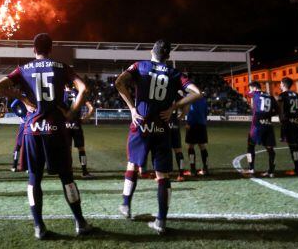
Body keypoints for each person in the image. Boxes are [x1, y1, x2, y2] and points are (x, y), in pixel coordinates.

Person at [0, 33, 93, 239]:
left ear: (33, 49)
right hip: (56, 128)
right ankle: (80, 223)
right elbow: (83, 89)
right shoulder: (61, 66)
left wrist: (23, 98)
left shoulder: (23, 69)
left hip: (32, 129)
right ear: (51, 49)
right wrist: (72, 112)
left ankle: (39, 227)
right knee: (67, 178)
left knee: (34, 179)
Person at [115, 39, 202, 234]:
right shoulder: (174, 73)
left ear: (151, 51)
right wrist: (174, 106)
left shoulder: (140, 66)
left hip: (141, 124)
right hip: (163, 127)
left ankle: (126, 206)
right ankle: (161, 221)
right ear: (168, 56)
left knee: (132, 164)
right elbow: (197, 93)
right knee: (162, 175)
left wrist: (131, 108)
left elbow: (119, 82)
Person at [278, 77, 298, 175]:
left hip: (288, 123)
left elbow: (280, 110)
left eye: (280, 83)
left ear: (283, 84)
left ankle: (297, 169)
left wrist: (281, 121)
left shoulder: (282, 95)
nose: (280, 85)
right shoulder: (296, 95)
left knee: (293, 147)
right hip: (296, 123)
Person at [245, 81, 278, 177]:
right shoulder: (270, 96)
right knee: (270, 149)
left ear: (254, 88)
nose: (250, 90)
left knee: (250, 146)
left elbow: (246, 93)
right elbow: (276, 110)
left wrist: (250, 93)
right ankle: (271, 171)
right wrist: (267, 115)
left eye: (251, 88)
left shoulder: (254, 93)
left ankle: (251, 169)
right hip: (268, 124)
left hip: (257, 125)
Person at [63, 83, 96, 178]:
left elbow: (58, 107)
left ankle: (68, 172)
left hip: (65, 125)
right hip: (76, 124)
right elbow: (91, 108)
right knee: (81, 149)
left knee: (67, 150)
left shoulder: (61, 94)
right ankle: (84, 172)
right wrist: (86, 118)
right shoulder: (78, 93)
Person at [184, 95, 210, 177]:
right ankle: (205, 169)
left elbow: (190, 111)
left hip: (192, 124)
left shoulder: (189, 98)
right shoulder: (203, 100)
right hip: (202, 124)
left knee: (190, 147)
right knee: (202, 146)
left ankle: (192, 169)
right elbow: (206, 112)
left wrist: (188, 122)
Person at [9, 97, 29, 172]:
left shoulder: (22, 95)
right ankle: (28, 167)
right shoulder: (33, 94)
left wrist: (20, 114)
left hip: (24, 123)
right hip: (32, 122)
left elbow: (13, 105)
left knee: (18, 144)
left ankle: (14, 165)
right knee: (30, 144)